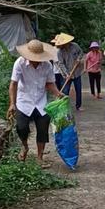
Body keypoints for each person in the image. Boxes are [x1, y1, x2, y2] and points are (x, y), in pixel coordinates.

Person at [7, 39, 63, 169]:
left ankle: (39, 157)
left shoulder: (47, 66)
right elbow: (13, 83)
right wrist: (12, 103)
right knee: (22, 128)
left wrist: (58, 94)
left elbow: (50, 84)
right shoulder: (19, 63)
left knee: (43, 129)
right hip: (23, 101)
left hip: (41, 101)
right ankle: (25, 146)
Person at [51, 32, 85, 110]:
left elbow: (81, 53)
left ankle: (78, 106)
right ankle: (64, 106)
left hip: (76, 73)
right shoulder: (60, 52)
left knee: (78, 89)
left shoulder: (75, 46)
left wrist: (78, 59)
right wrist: (66, 74)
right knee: (65, 91)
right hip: (66, 75)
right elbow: (61, 64)